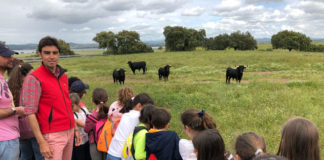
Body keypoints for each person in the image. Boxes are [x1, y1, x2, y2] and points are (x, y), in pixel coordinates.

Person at [21, 36, 81, 160]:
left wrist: (75, 128)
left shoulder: (63, 76)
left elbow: (67, 104)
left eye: (55, 53)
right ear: (40, 54)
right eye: (47, 53)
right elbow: (30, 113)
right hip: (52, 135)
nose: (51, 56)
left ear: (59, 54)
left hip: (69, 131)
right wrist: (42, 142)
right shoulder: (33, 79)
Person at [8, 63, 44, 160]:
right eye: (32, 74)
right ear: (24, 75)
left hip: (21, 131)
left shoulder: (12, 88)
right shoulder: (28, 88)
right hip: (32, 128)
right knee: (40, 155)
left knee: (25, 155)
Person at [108, 93, 154, 160]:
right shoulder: (138, 116)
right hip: (120, 155)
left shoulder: (127, 114)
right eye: (146, 109)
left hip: (112, 151)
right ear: (139, 106)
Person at [0, 43, 25, 159]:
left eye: (11, 55)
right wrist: (16, 110)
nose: (11, 59)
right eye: (6, 56)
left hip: (8, 139)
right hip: (5, 140)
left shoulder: (2, 80)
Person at [84, 88, 109, 160]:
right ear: (107, 99)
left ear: (92, 100)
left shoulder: (91, 117)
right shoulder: (110, 114)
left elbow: (86, 130)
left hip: (94, 144)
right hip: (108, 143)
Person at [71, 93, 91, 160]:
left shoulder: (84, 110)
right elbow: (85, 125)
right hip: (79, 143)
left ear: (78, 103)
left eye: (72, 106)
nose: (70, 108)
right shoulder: (73, 115)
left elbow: (89, 119)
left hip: (87, 140)